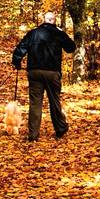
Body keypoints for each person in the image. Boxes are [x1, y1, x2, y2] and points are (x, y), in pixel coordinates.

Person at [11, 12, 77, 141]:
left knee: (35, 103)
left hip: (34, 71)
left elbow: (21, 47)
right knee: (54, 101)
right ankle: (60, 129)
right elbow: (71, 47)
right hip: (52, 73)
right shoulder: (58, 33)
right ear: (53, 21)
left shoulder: (33, 33)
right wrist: (62, 32)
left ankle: (33, 135)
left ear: (44, 20)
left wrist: (16, 62)